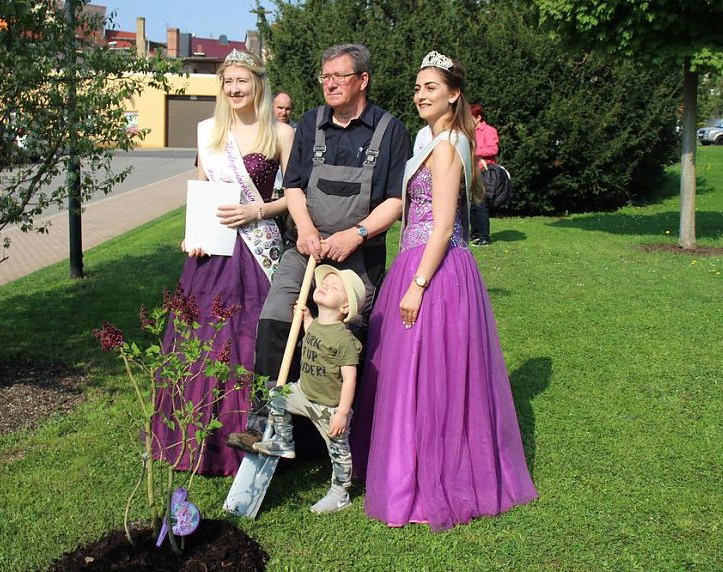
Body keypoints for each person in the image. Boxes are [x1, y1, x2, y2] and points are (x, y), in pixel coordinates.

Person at [351, 51, 537, 531]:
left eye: (430, 87)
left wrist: (416, 285)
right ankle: (408, 470)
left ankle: (434, 477)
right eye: (417, 87)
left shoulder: (451, 143)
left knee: (431, 373)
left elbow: (444, 225)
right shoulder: (428, 140)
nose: (420, 94)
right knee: (413, 372)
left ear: (453, 94)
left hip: (435, 270)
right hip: (417, 262)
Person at [227, 43, 411, 453]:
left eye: (338, 76)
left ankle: (341, 435)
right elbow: (293, 186)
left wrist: (356, 234)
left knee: (342, 338)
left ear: (362, 80)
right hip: (304, 247)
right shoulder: (311, 124)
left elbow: (397, 201)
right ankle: (267, 420)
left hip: (357, 254)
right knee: (276, 317)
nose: (329, 84)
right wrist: (307, 229)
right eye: (324, 76)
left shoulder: (390, 131)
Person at [151, 49, 295, 476]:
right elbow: (200, 189)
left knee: (251, 342)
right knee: (204, 341)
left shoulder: (281, 134)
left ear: (258, 85)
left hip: (258, 251)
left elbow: (296, 197)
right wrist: (192, 233)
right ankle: (199, 440)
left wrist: (259, 212)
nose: (234, 89)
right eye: (228, 81)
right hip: (211, 255)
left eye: (242, 81)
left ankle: (259, 437)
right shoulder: (207, 131)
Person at [253, 265, 365, 514]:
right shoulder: (317, 325)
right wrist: (305, 319)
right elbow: (313, 334)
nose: (324, 285)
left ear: (345, 308)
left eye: (333, 287)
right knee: (276, 395)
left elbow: (349, 379)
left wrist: (342, 413)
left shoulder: (344, 340)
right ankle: (283, 440)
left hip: (329, 407)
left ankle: (340, 492)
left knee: (338, 451)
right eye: (324, 283)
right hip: (304, 394)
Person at [469, 103, 499, 246]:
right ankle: (475, 233)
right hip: (472, 170)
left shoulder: (489, 130)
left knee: (481, 203)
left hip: (484, 170)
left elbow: (493, 149)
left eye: (470, 117)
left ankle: (484, 237)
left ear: (478, 117)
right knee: (472, 204)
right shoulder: (469, 131)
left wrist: (475, 153)